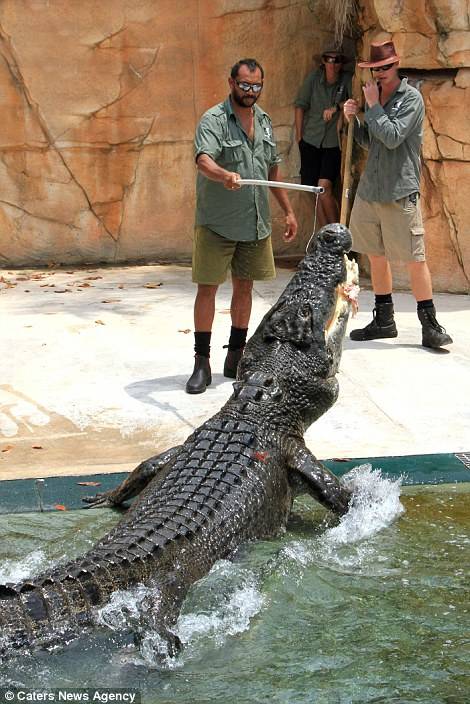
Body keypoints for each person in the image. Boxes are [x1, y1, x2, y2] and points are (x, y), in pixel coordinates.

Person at [186, 58, 298, 394]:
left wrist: (288, 212)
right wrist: (224, 175)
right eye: (245, 85)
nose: (250, 92)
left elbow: (272, 171)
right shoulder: (215, 119)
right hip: (218, 222)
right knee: (207, 288)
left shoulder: (263, 122)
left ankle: (236, 356)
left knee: (245, 287)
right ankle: (201, 361)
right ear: (232, 82)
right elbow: (203, 160)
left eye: (256, 86)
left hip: (254, 221)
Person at [343, 40, 452, 349]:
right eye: (375, 69)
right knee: (376, 257)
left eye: (386, 67)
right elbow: (372, 142)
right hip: (370, 191)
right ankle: (384, 320)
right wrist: (355, 119)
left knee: (414, 259)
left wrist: (373, 106)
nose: (380, 73)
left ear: (397, 64)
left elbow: (391, 138)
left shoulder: (411, 99)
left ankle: (430, 325)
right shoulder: (375, 97)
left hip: (399, 192)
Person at [294, 47, 352, 227]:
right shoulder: (313, 79)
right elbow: (300, 105)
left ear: (342, 64)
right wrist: (299, 138)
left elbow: (355, 101)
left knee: (324, 188)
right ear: (323, 62)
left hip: (333, 144)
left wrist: (336, 107)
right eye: (329, 59)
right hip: (310, 140)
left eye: (337, 60)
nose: (333, 64)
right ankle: (325, 237)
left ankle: (338, 234)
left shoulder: (347, 80)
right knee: (315, 191)